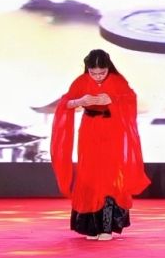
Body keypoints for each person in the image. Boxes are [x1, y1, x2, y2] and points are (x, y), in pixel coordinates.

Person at [49, 50, 149, 240]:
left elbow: (130, 100)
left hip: (112, 131)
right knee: (88, 174)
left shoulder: (118, 81)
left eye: (102, 72)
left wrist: (112, 100)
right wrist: (80, 101)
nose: (97, 76)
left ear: (108, 68)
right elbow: (65, 102)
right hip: (89, 130)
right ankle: (91, 227)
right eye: (93, 72)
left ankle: (106, 227)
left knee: (109, 175)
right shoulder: (81, 81)